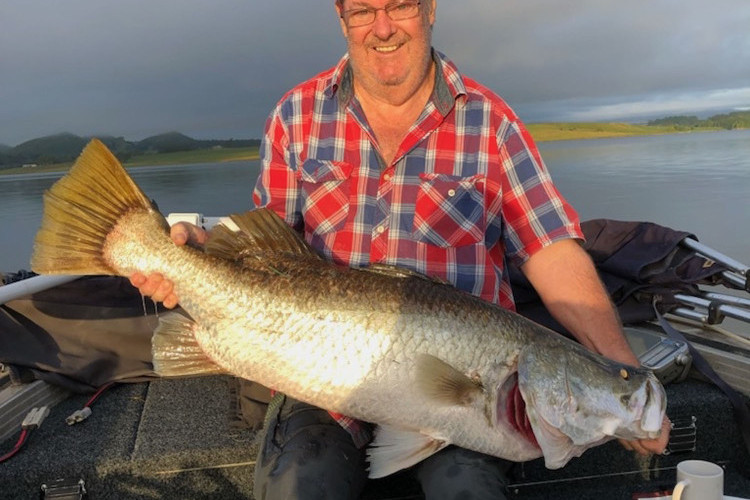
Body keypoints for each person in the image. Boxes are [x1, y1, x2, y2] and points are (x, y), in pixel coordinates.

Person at [130, 0, 671, 498]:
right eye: (363, 10)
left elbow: (550, 247)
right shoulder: (295, 115)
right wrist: (200, 253)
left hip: (474, 393)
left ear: (430, 8)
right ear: (342, 18)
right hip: (314, 371)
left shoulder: (492, 123)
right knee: (304, 480)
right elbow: (270, 240)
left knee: (469, 488)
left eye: (400, 5)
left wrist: (618, 370)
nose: (382, 28)